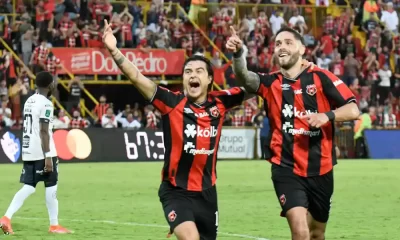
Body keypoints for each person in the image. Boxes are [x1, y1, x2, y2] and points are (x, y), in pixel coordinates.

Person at [102, 20, 247, 240]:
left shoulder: (221, 102)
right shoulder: (172, 103)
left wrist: (239, 55)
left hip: (208, 192)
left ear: (209, 79)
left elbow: (256, 86)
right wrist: (114, 50)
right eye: (188, 71)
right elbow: (137, 77)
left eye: (199, 71)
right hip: (175, 190)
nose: (192, 75)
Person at [227, 26, 360, 240]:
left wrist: (327, 116)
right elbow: (243, 76)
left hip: (321, 168)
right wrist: (237, 53)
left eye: (288, 42)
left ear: (302, 49)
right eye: (278, 43)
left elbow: (353, 109)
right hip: (285, 167)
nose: (282, 47)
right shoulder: (270, 82)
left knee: (317, 233)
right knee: (300, 231)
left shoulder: (321, 77)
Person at [0, 71, 71, 235]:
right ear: (50, 85)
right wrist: (47, 156)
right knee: (51, 186)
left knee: (29, 186)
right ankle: (54, 225)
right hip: (44, 151)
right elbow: (44, 131)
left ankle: (6, 218)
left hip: (28, 149)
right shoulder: (46, 104)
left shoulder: (29, 101)